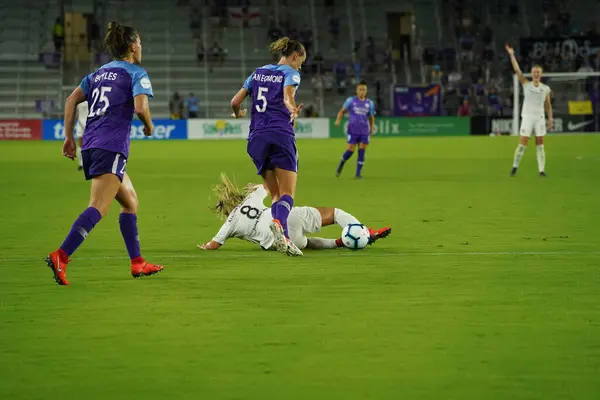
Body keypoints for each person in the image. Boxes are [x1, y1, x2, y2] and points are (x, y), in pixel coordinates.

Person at [45, 21, 163, 285]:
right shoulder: (136, 72)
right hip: (110, 145)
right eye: (140, 43)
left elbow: (70, 100)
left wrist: (67, 138)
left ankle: (138, 263)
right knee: (98, 206)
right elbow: (141, 107)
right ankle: (61, 255)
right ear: (133, 46)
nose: (141, 47)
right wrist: (148, 126)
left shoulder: (98, 74)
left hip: (92, 144)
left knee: (130, 202)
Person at [229, 36, 305, 256]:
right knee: (288, 193)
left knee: (275, 193)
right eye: (301, 61)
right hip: (280, 134)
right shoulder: (291, 73)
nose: (301, 65)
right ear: (295, 55)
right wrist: (292, 109)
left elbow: (235, 102)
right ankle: (281, 228)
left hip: (256, 139)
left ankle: (283, 238)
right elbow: (287, 96)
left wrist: (237, 114)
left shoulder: (258, 72)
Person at [198, 175, 391, 251]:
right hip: (287, 217)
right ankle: (362, 231)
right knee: (336, 214)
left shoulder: (229, 223)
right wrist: (258, 186)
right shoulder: (250, 199)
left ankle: (340, 243)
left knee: (305, 244)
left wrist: (205, 246)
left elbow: (214, 245)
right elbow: (268, 185)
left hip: (278, 240)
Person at [505, 44, 552, 177]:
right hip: (527, 117)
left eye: (538, 72)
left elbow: (548, 105)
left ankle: (541, 170)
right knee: (523, 144)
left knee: (540, 144)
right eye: (534, 72)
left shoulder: (545, 88)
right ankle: (514, 167)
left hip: (540, 118)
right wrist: (512, 55)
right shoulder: (526, 84)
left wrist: (550, 118)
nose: (536, 74)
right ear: (532, 74)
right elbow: (517, 70)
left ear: (541, 74)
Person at [334, 80, 375, 179]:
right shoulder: (351, 101)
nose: (362, 91)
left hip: (364, 130)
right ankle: (342, 163)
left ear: (366, 91)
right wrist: (338, 120)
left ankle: (358, 173)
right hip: (353, 129)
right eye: (360, 89)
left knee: (362, 150)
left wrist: (372, 127)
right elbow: (342, 111)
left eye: (364, 90)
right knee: (350, 150)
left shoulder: (370, 103)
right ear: (357, 90)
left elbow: (371, 116)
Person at [75, 101, 89, 171]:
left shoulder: (78, 99)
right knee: (82, 144)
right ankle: (81, 163)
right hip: (86, 123)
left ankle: (82, 163)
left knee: (82, 144)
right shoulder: (92, 97)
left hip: (84, 123)